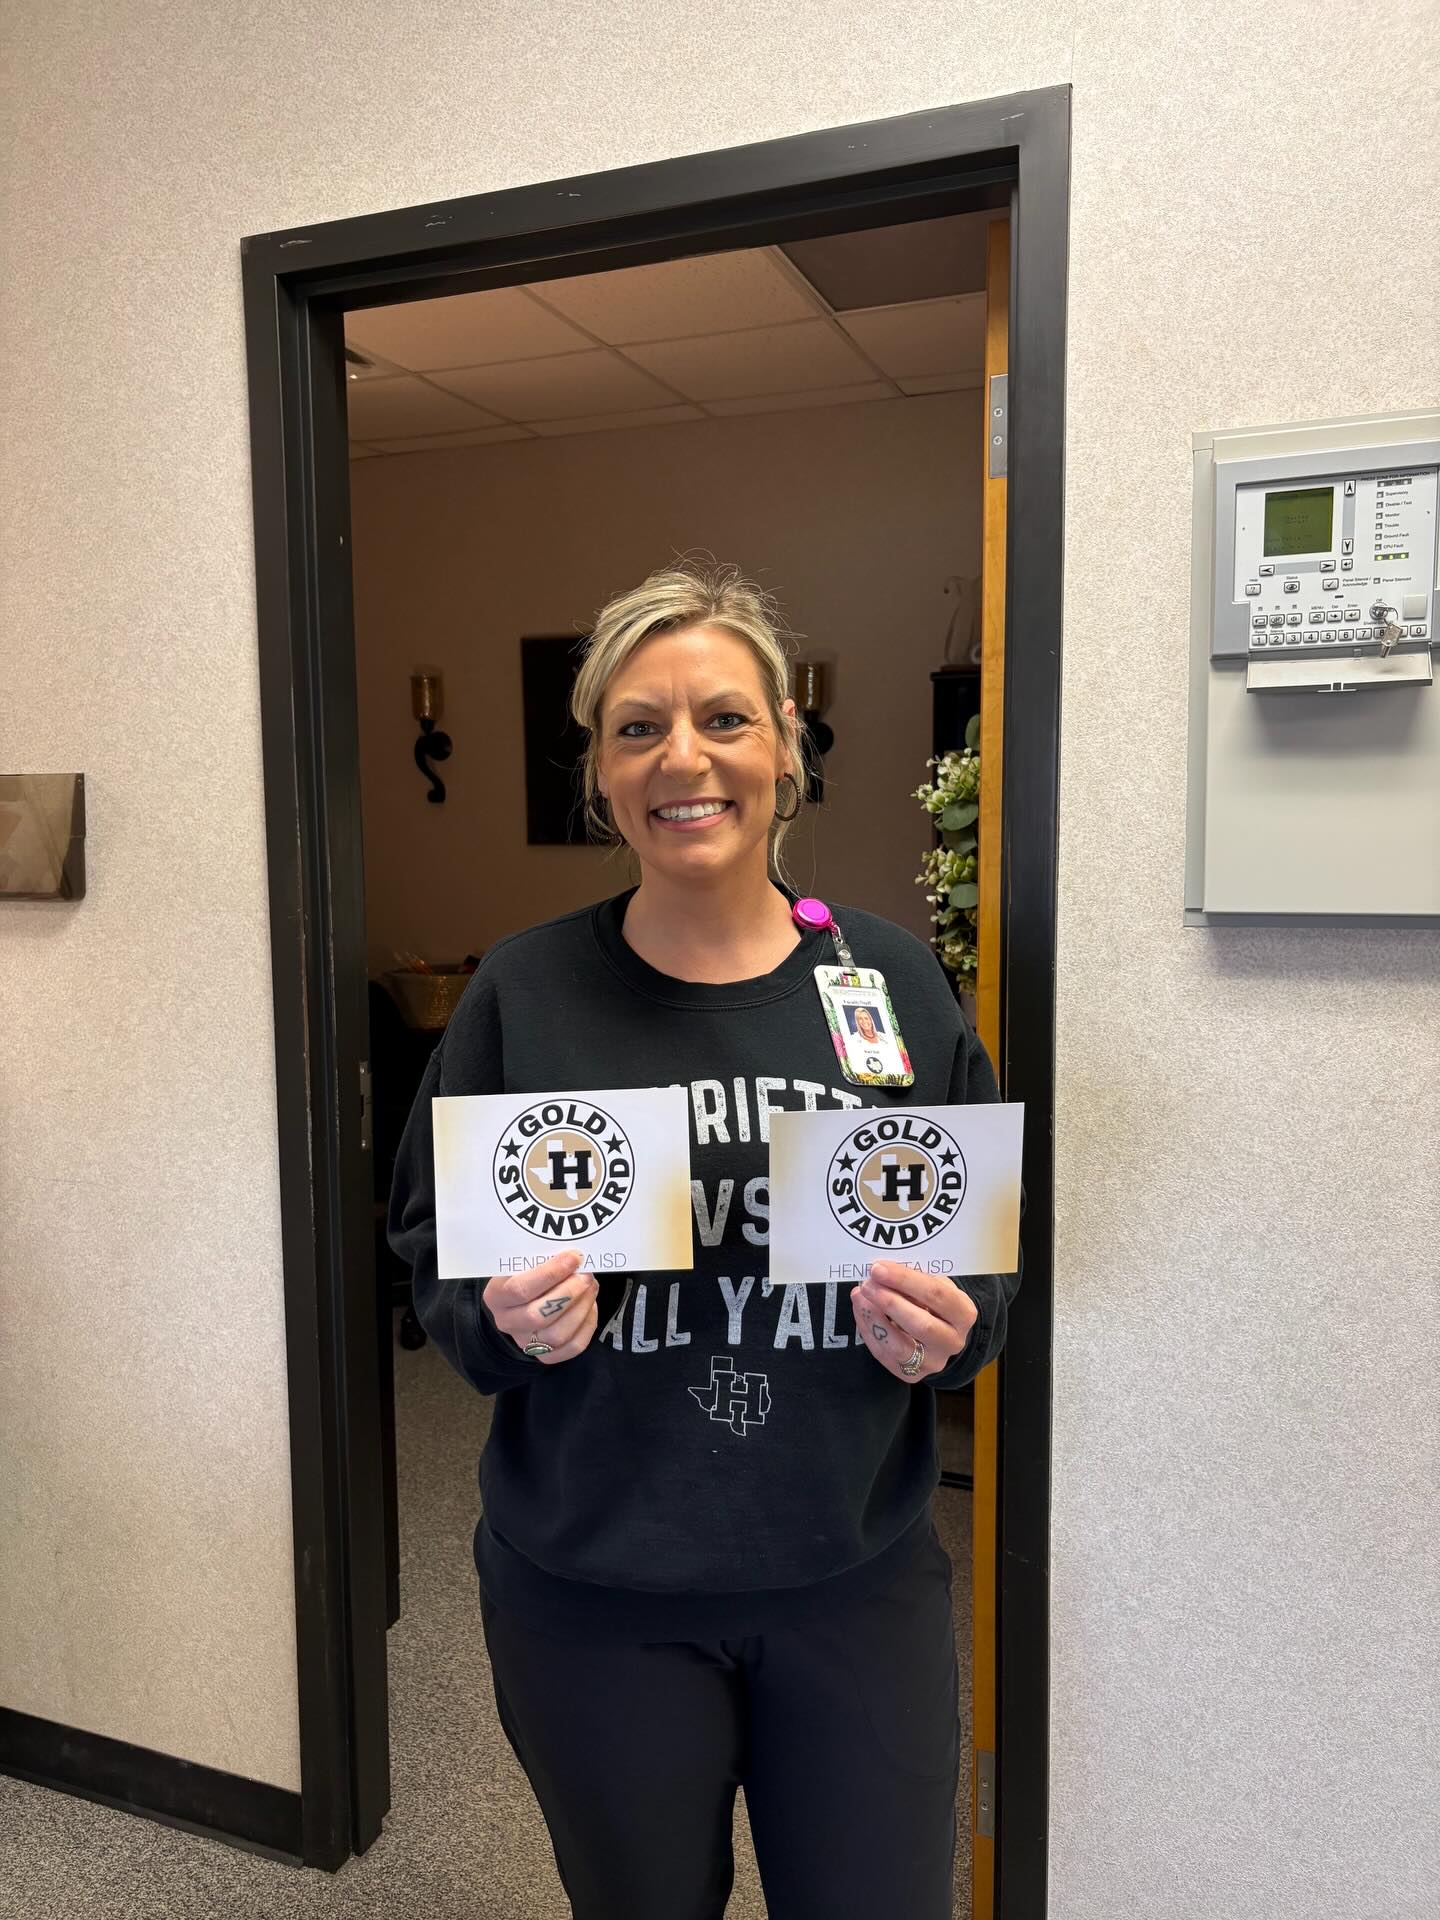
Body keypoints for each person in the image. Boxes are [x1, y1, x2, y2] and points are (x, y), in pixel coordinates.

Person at [389, 562, 1021, 1920]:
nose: (686, 755)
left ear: (787, 746)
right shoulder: (526, 990)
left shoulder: (892, 979)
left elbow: (984, 1259)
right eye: (639, 726)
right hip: (596, 1592)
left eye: (726, 719)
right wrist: (498, 1319)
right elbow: (434, 1248)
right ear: (603, 775)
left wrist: (959, 1323)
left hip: (853, 1581)